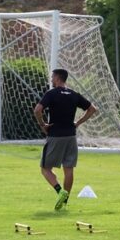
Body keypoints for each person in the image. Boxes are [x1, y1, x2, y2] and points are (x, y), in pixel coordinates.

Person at [33, 68, 98, 210]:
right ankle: (65, 201)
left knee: (45, 169)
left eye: (52, 77)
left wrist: (42, 124)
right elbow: (93, 108)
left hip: (56, 135)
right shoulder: (74, 94)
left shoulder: (52, 94)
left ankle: (59, 191)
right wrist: (78, 123)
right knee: (68, 169)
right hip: (71, 136)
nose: (51, 79)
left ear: (57, 78)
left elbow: (37, 110)